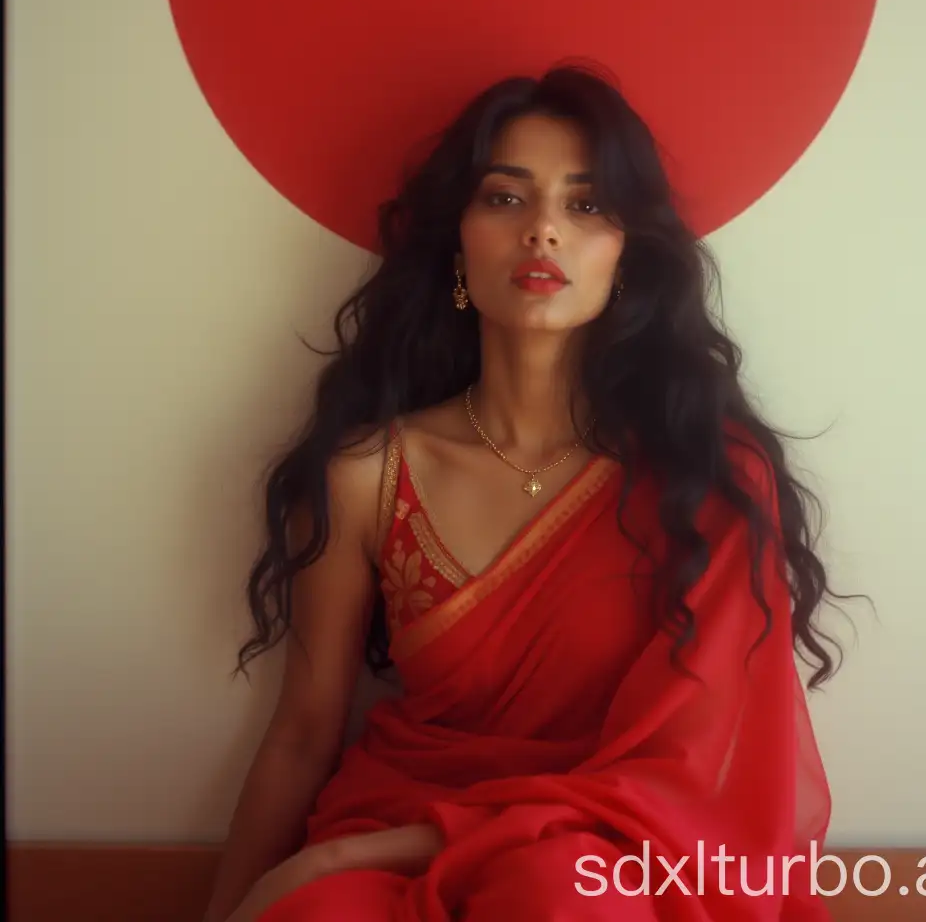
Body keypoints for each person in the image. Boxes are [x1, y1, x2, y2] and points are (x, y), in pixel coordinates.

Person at [203, 65, 840, 922]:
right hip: (385, 838)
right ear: (458, 244)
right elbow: (304, 734)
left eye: (586, 205)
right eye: (506, 199)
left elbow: (701, 774)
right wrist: (236, 903)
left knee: (558, 895)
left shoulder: (706, 478)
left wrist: (370, 847)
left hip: (602, 862)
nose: (544, 231)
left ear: (628, 255)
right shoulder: (367, 474)